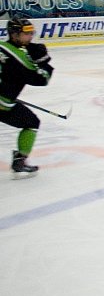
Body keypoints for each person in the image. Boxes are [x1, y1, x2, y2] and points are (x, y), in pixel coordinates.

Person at [0, 17, 54, 177]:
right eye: (26, 33)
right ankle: (20, 161)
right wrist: (43, 62)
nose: (30, 36)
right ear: (14, 34)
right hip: (2, 104)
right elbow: (42, 79)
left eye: (31, 33)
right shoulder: (19, 57)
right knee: (32, 123)